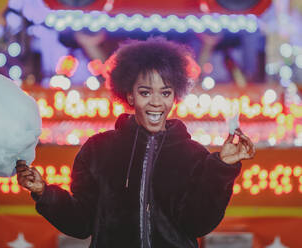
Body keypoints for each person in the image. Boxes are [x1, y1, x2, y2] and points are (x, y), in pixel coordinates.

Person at [16, 37, 255, 248]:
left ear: (175, 95)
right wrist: (44, 193)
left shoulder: (193, 155)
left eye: (165, 92)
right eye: (145, 92)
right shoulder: (98, 150)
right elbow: (81, 223)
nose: (156, 102)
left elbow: (198, 224)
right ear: (129, 95)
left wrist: (222, 166)